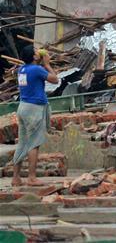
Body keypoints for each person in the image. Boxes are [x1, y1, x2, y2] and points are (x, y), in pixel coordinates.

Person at [12, 46, 58, 186]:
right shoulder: (37, 69)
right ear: (34, 57)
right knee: (34, 143)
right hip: (34, 109)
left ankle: (16, 177)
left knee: (22, 143)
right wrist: (47, 64)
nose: (39, 51)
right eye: (36, 51)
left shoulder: (22, 69)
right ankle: (32, 177)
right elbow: (55, 80)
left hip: (23, 107)